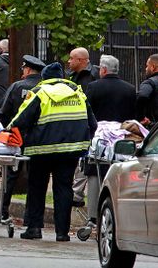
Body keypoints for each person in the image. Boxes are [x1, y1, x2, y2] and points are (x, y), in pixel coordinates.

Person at [9, 62, 97, 241]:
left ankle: (34, 228)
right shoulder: (78, 93)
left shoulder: (39, 93)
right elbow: (93, 123)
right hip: (70, 151)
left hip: (41, 150)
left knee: (37, 187)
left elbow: (20, 120)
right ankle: (62, 233)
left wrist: (7, 131)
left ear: (44, 78)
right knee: (64, 188)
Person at [83, 54, 136, 227]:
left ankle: (93, 216)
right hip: (120, 141)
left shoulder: (93, 87)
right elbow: (132, 116)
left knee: (94, 175)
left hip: (99, 140)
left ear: (104, 69)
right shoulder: (129, 89)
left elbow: (87, 113)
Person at [0, 54, 45, 220]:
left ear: (28, 69)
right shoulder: (45, 88)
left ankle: (2, 211)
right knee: (36, 177)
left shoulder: (17, 86)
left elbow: (3, 113)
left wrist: (9, 130)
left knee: (10, 175)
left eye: (23, 69)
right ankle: (30, 216)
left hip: (16, 138)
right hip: (38, 138)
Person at [68, 47, 99, 207]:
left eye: (72, 58)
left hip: (88, 124)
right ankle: (75, 192)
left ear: (80, 60)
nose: (69, 61)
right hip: (75, 123)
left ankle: (76, 194)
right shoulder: (72, 76)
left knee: (83, 160)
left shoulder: (93, 76)